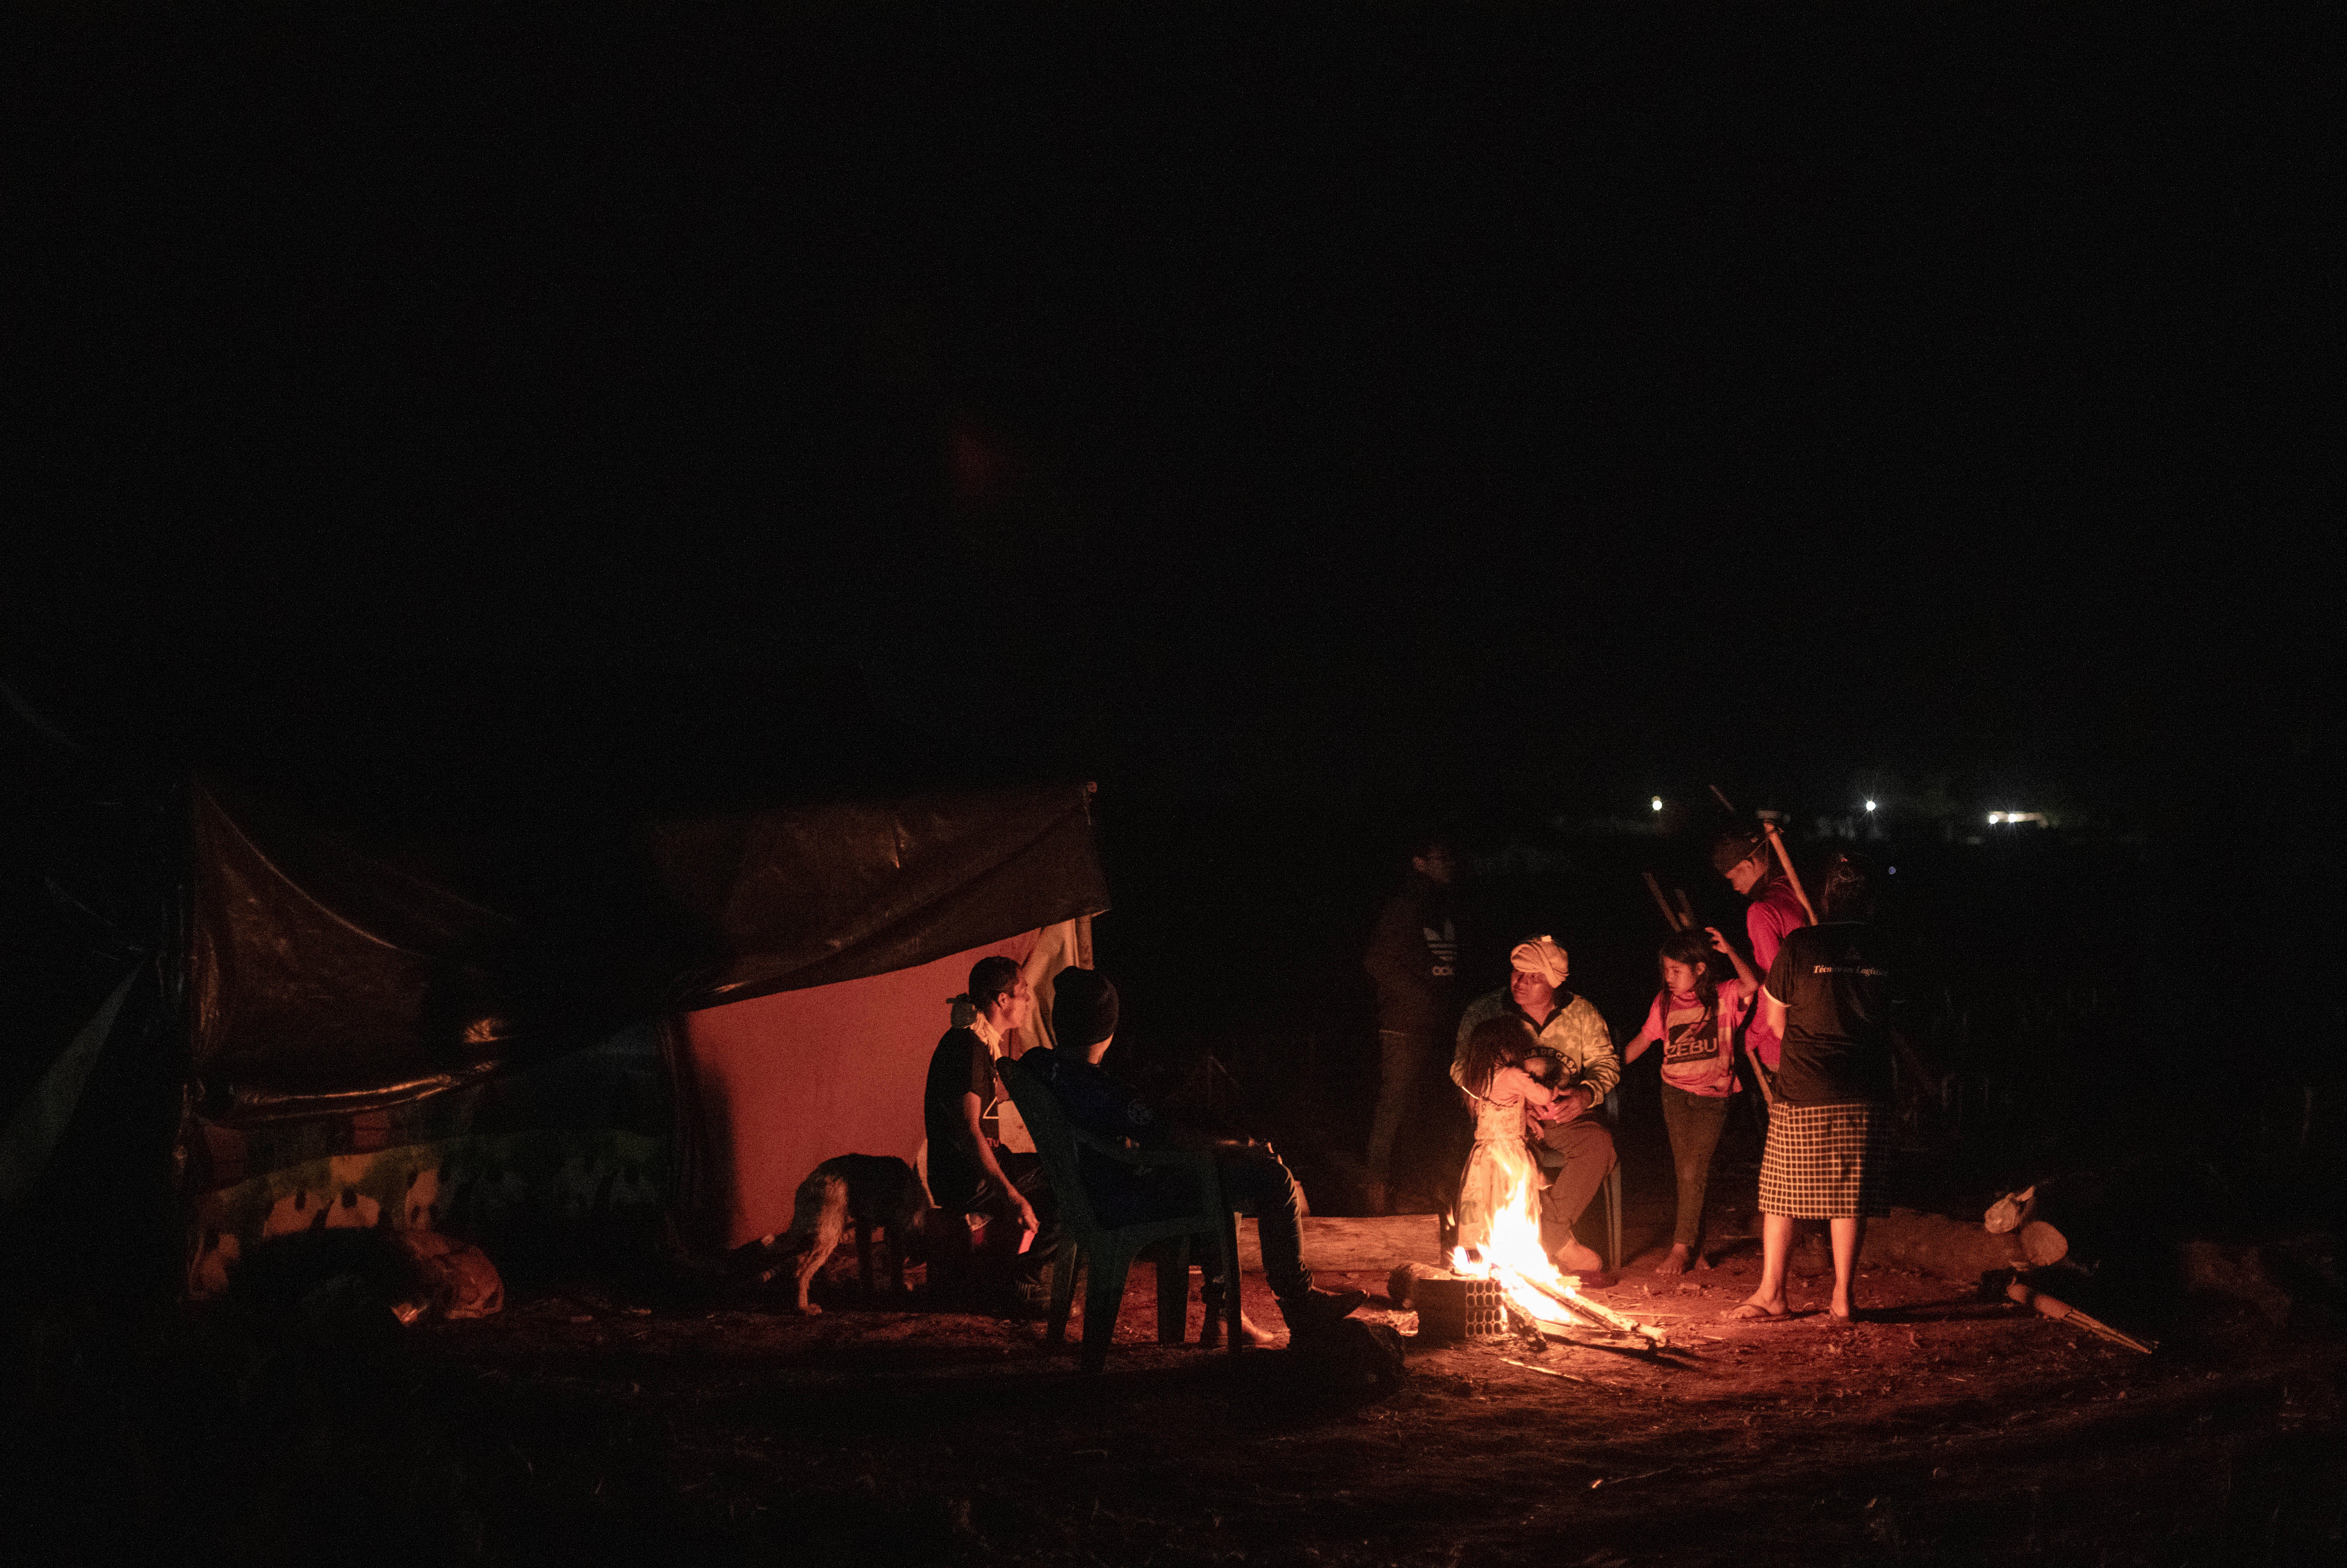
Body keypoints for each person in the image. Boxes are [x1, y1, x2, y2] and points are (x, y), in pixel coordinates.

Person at [1017, 967, 1366, 1344]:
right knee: (1271, 1176)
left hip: (1085, 1195)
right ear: (1107, 1031)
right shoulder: (1101, 1090)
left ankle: (1224, 1315)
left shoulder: (1037, 1066)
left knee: (1220, 1178)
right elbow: (1169, 1140)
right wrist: (1239, 1149)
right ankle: (1297, 1303)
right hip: (1123, 1202)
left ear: (1060, 1023)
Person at [1728, 853, 1897, 1324]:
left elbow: (1777, 1024)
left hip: (1806, 1084)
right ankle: (1842, 1298)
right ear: (1869, 901)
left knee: (1780, 1192)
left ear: (1823, 899)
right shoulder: (1885, 947)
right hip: (1865, 1085)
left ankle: (1772, 1293)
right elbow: (1891, 1017)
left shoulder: (1800, 945)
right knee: (1848, 1194)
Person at [1452, 936, 1617, 1273]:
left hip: (1563, 1114)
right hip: (1507, 1120)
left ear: (1554, 981)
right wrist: (1513, 1102)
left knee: (1599, 1144)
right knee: (1507, 1164)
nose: (1521, 983)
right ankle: (1550, 1240)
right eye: (1517, 973)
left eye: (1534, 977)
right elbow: (1461, 1068)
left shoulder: (1581, 1013)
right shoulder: (1487, 1011)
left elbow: (1607, 1063)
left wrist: (1585, 1094)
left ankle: (1548, 1235)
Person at [1620, 925, 1758, 1275]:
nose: (1668, 976)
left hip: (1713, 1094)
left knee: (1692, 1170)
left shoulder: (1724, 996)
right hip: (1674, 1092)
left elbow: (1752, 984)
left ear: (1700, 969)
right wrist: (1607, 1070)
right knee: (1689, 1172)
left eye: (1676, 970)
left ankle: (1681, 1249)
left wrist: (1729, 950)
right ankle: (1693, 1249)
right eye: (1666, 969)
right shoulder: (1664, 1002)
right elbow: (1644, 1040)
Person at [922, 955, 1049, 1297]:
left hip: (966, 1172)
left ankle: (1004, 1274)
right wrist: (1011, 1195)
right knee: (1065, 1179)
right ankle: (1024, 1282)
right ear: (1002, 999)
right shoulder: (968, 1047)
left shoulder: (976, 1043)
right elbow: (968, 1129)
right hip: (964, 1178)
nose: (1028, 999)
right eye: (1023, 991)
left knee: (1053, 1167)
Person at [1362, 836, 1464, 1214]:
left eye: (1449, 858)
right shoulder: (1405, 908)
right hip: (1404, 1025)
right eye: (1439, 858)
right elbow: (1376, 961)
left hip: (1439, 1026)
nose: (1447, 865)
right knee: (1395, 1107)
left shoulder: (1441, 906)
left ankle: (1421, 1186)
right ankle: (1376, 1188)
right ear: (1418, 863)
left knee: (1426, 1109)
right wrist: (1422, 999)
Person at [1713, 825, 1812, 1089]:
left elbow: (1774, 986)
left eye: (1732, 878)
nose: (1734, 888)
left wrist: (1748, 1039)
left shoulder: (1761, 911)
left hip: (1784, 1046)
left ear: (1747, 865)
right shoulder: (1796, 891)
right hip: (1817, 1029)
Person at [1451, 1016, 1554, 1254]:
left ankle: (1481, 1253)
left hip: (1483, 1157)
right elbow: (1542, 1097)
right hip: (1508, 1156)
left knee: (1485, 1205)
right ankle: (1513, 1255)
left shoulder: (1479, 1078)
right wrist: (1551, 1089)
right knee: (1510, 1202)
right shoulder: (1512, 1075)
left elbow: (1495, 1111)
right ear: (1506, 1048)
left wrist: (1524, 1118)